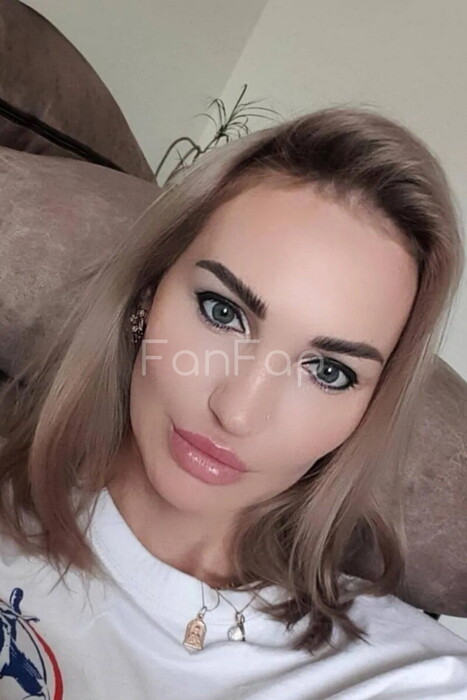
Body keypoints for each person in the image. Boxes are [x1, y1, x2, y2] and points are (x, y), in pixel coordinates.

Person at [0, 105, 466, 700]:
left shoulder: (409, 679)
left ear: (366, 413)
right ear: (147, 294)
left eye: (328, 371)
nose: (237, 412)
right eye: (222, 312)